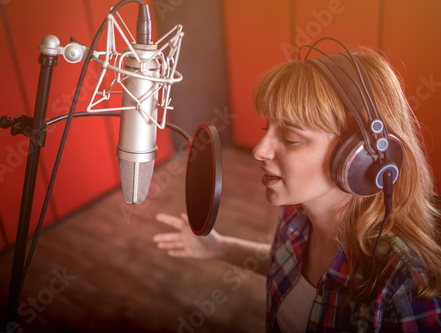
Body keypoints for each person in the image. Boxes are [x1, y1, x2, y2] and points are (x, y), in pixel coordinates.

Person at [152, 43, 441, 332]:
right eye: (268, 129)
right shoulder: (297, 214)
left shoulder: (405, 283)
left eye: (290, 138)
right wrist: (220, 248)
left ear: (361, 158)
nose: (259, 150)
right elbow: (290, 265)